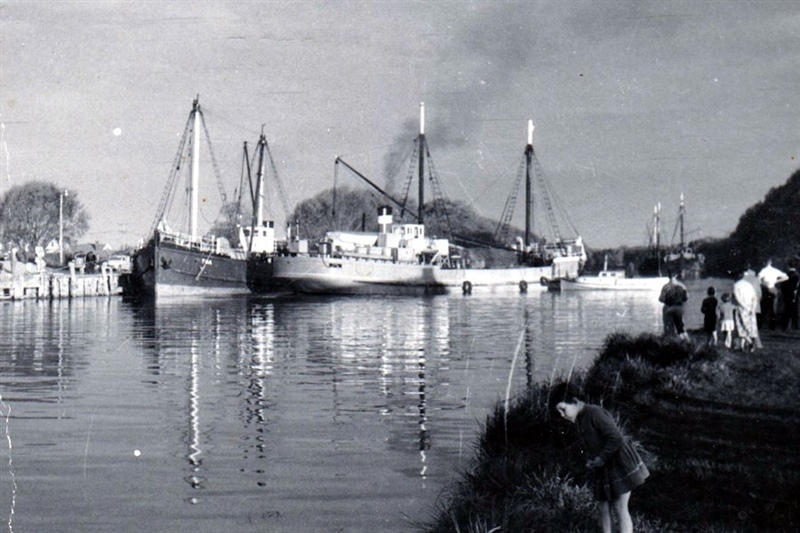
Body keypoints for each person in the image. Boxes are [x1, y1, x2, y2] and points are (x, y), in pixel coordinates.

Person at [556, 394, 649, 533]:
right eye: (559, 412)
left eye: (563, 409)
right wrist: (591, 459)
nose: (562, 415)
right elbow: (591, 443)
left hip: (619, 462)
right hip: (603, 465)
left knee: (620, 507)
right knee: (603, 506)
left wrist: (601, 458)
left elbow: (616, 438)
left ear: (575, 401)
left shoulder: (595, 413)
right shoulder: (580, 418)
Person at [733, 270, 762, 351]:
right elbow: (754, 297)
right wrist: (752, 308)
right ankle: (743, 346)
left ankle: (749, 343)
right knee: (750, 327)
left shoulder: (736, 285)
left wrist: (744, 306)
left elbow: (738, 298)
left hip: (742, 308)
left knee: (741, 327)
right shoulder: (749, 285)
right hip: (750, 307)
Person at [757, 259, 788, 330]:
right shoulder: (775, 270)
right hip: (773, 288)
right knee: (773, 309)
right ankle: (772, 326)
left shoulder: (764, 270)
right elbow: (786, 277)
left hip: (766, 288)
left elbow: (758, 279)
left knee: (763, 307)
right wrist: (777, 281)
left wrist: (763, 283)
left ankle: (760, 325)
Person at [658, 272, 689, 341]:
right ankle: (686, 341)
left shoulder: (666, 286)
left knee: (668, 327)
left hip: (669, 308)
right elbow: (686, 298)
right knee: (681, 327)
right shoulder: (682, 286)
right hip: (679, 308)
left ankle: (670, 341)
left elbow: (661, 299)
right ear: (676, 275)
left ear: (668, 276)